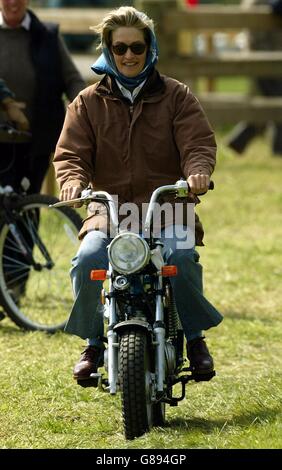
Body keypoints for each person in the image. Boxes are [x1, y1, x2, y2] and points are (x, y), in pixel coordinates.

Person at [53, 6, 223, 385]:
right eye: (120, 48)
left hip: (168, 207)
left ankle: (195, 338)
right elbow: (70, 154)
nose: (129, 55)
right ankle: (94, 341)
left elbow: (198, 143)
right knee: (88, 258)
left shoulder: (177, 96)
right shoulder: (87, 102)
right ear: (107, 50)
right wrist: (72, 181)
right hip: (109, 209)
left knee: (180, 257)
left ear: (151, 49)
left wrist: (198, 171)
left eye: (137, 47)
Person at [0, 0, 86, 193]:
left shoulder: (47, 35)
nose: (13, 2)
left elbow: (72, 79)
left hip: (36, 142)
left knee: (29, 205)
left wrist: (84, 110)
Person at [226, 0, 282, 156]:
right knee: (275, 100)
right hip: (266, 56)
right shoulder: (260, 3)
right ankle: (278, 149)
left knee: (271, 100)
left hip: (265, 54)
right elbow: (276, 7)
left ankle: (239, 141)